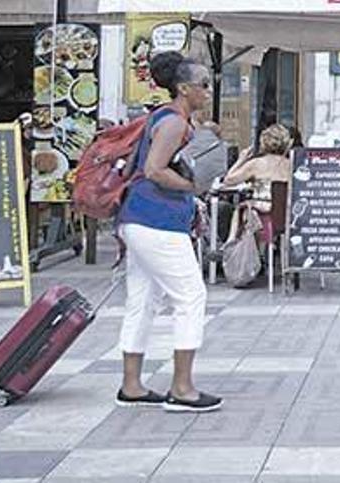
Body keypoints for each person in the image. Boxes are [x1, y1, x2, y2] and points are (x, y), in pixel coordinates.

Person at [116, 51, 221, 413]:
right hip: (157, 220)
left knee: (143, 301)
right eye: (203, 84)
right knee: (191, 297)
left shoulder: (163, 117)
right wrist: (192, 188)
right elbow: (155, 169)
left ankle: (132, 385)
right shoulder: (175, 122)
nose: (209, 90)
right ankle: (182, 387)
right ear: (183, 88)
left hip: (139, 219)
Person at [222, 124, 293, 215]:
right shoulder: (292, 164)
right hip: (286, 214)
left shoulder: (256, 164)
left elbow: (228, 180)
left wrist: (241, 160)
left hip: (261, 216)